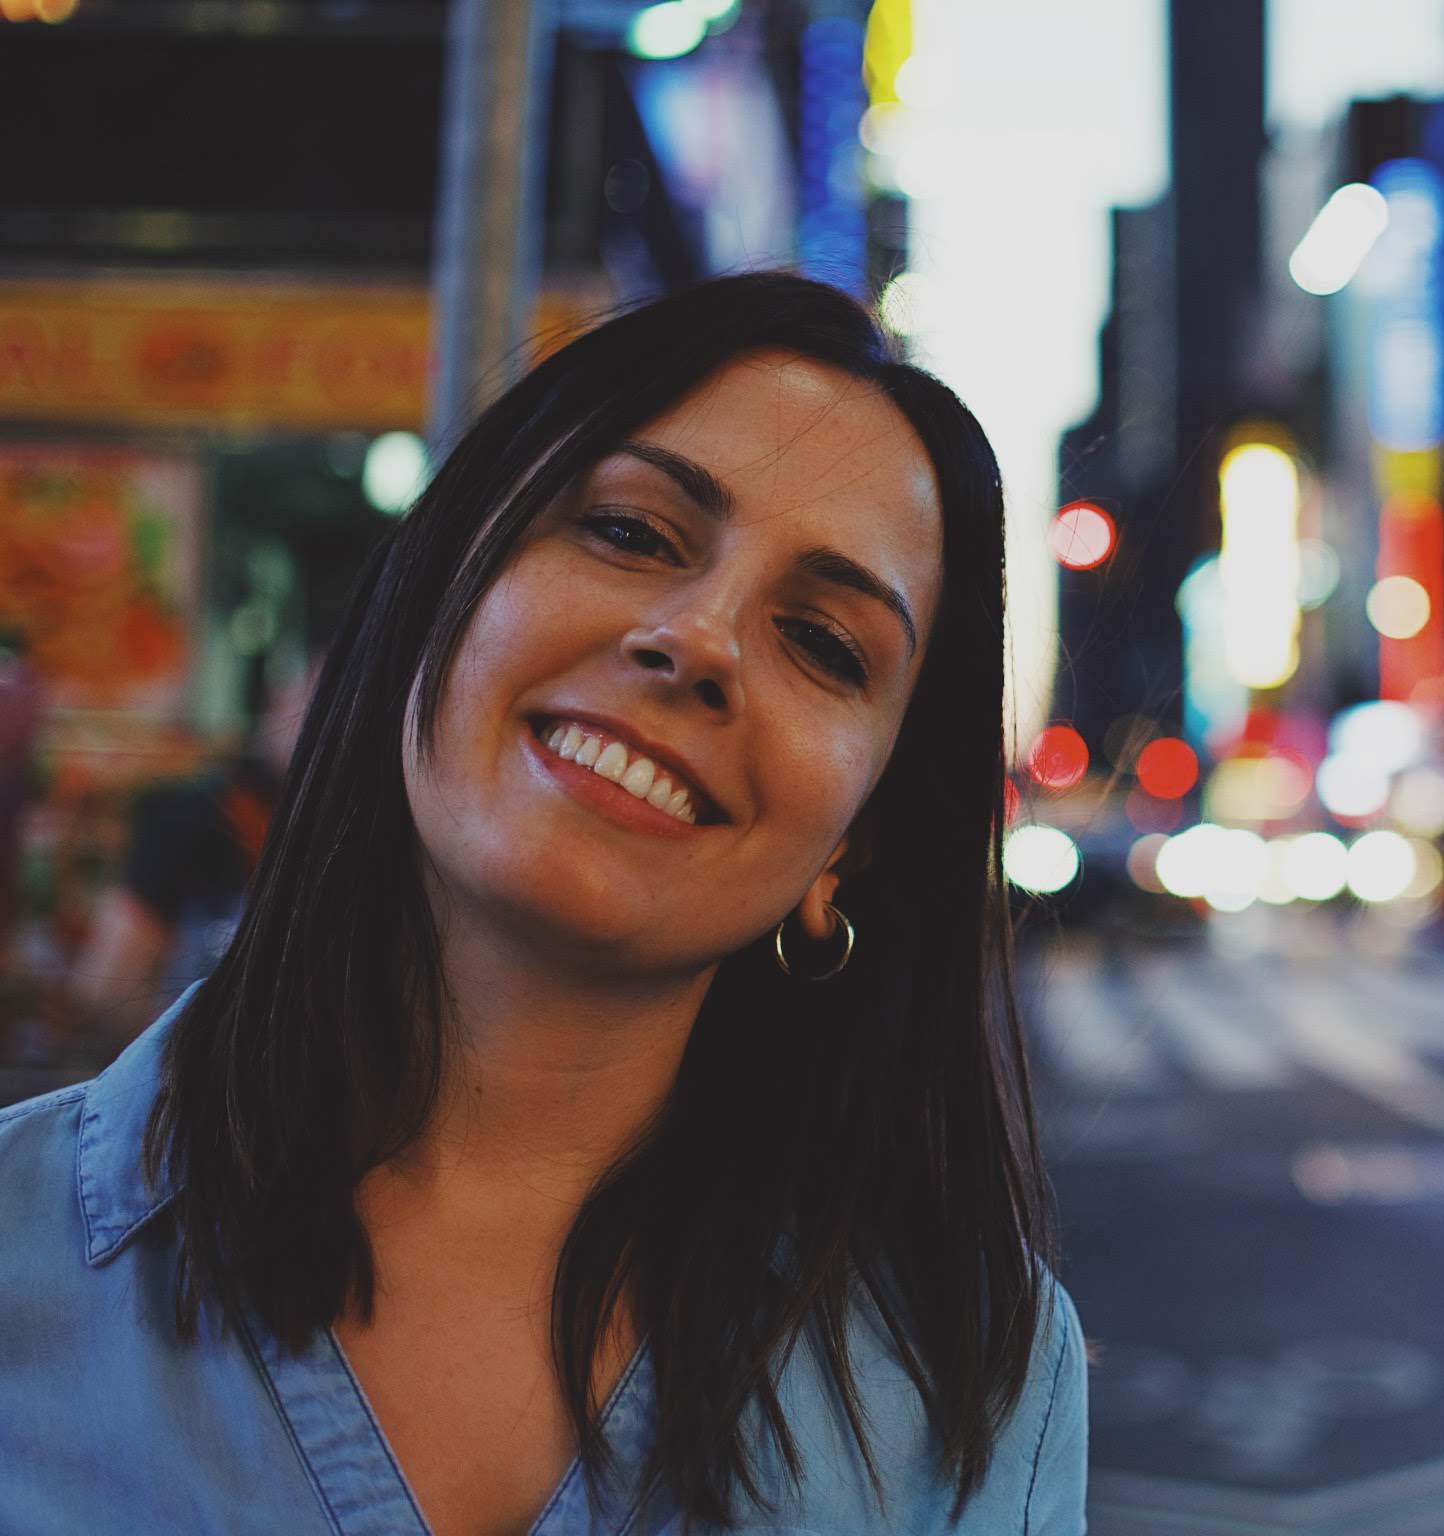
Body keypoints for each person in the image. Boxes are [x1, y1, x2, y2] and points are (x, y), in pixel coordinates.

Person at [0, 272, 1085, 1533]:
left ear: (853, 844)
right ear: (437, 599)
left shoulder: (967, 1379)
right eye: (630, 532)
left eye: (826, 645)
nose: (700, 640)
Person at [66, 660, 311, 1054]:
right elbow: (105, 985)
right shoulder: (192, 814)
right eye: (319, 698)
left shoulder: (352, 833)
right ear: (279, 702)